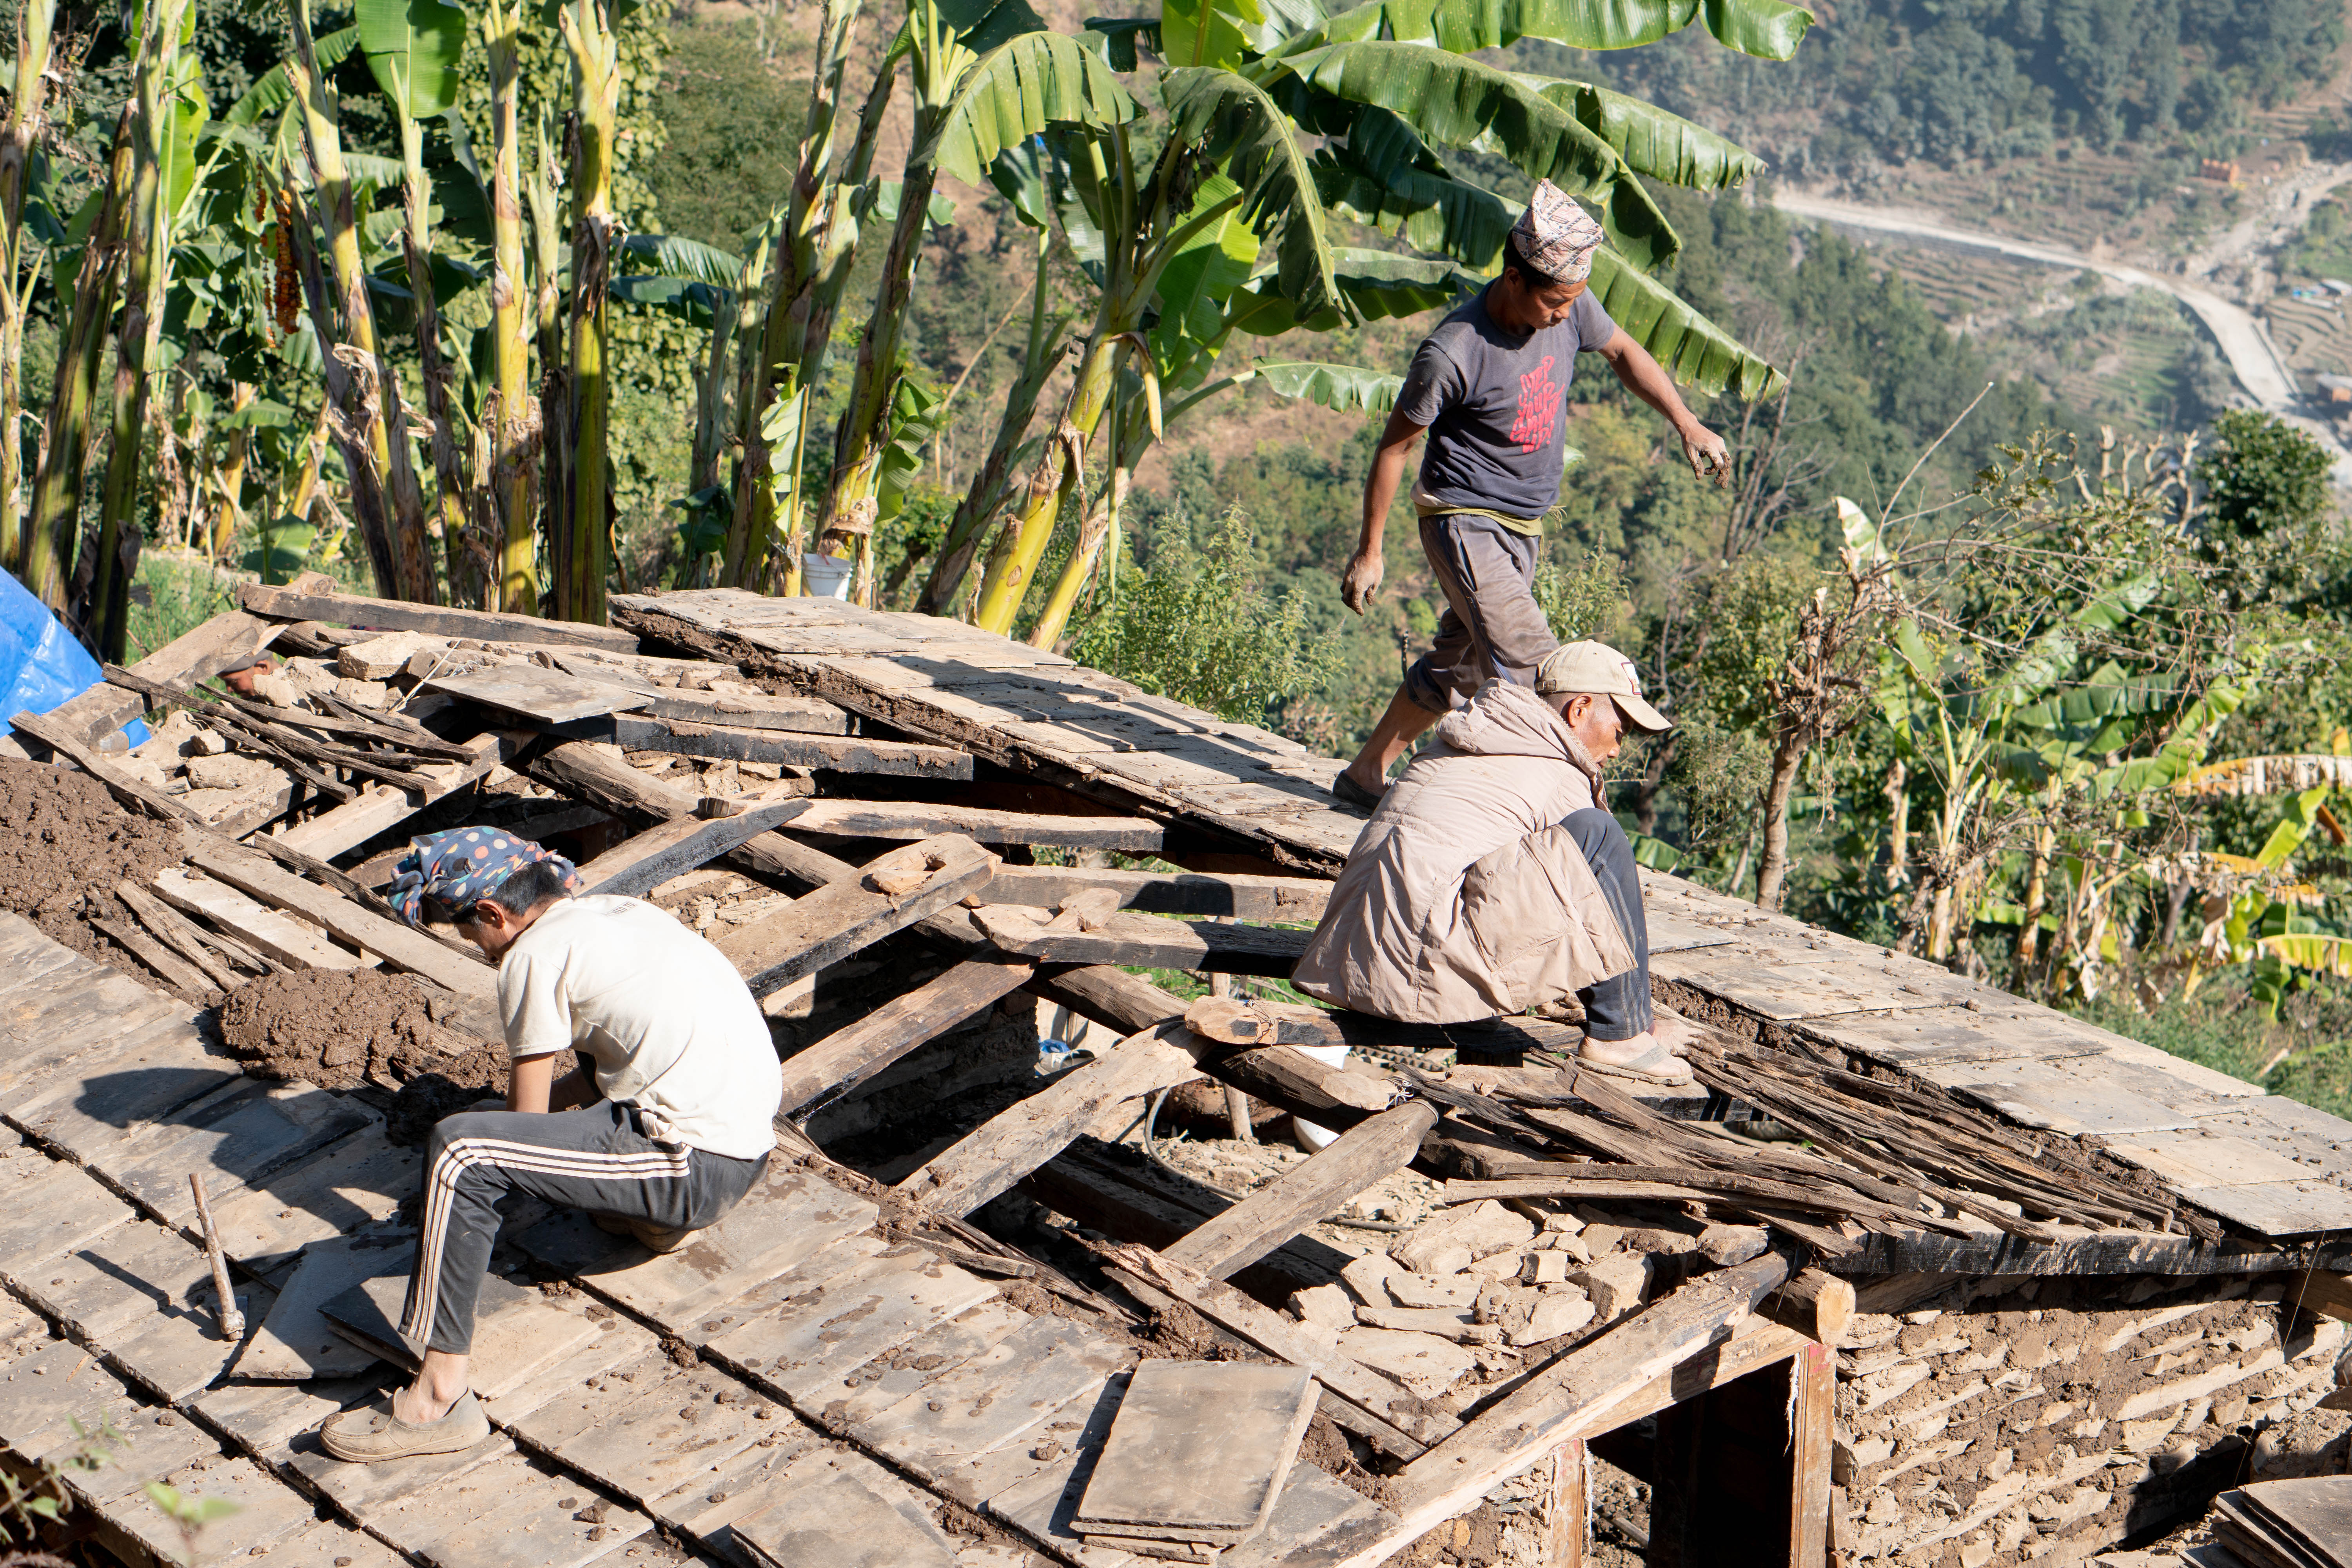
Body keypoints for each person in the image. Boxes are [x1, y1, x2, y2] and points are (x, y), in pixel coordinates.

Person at [319, 828, 783, 1464]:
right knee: (534, 1103)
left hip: (689, 1165)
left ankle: (438, 1398)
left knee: (460, 1150)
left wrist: (468, 1159)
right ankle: (648, 1220)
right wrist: (507, 1121)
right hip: (745, 1148)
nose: (473, 948)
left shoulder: (530, 957)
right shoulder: (619, 915)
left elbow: (526, 1119)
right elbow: (593, 1070)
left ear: (493, 914)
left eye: (466, 932)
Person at [1330, 180, 1730, 811]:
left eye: (1573, 301)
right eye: (1553, 302)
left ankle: (1365, 775)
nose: (1565, 315)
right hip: (1463, 519)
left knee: (1459, 666)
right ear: (1514, 278)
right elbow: (1394, 448)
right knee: (1537, 668)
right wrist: (1370, 550)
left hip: (1523, 526)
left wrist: (1686, 421)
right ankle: (1559, 819)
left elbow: (1623, 351)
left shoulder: (1569, 305)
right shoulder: (1453, 351)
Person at [1293, 641, 1700, 1085]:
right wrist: (1640, 1019)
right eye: (1620, 730)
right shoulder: (1558, 771)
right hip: (1417, 969)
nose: (1619, 750)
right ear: (1579, 709)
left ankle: (1624, 1027)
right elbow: (1589, 899)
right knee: (1601, 837)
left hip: (1346, 959)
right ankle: (1624, 1035)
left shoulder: (1462, 740)